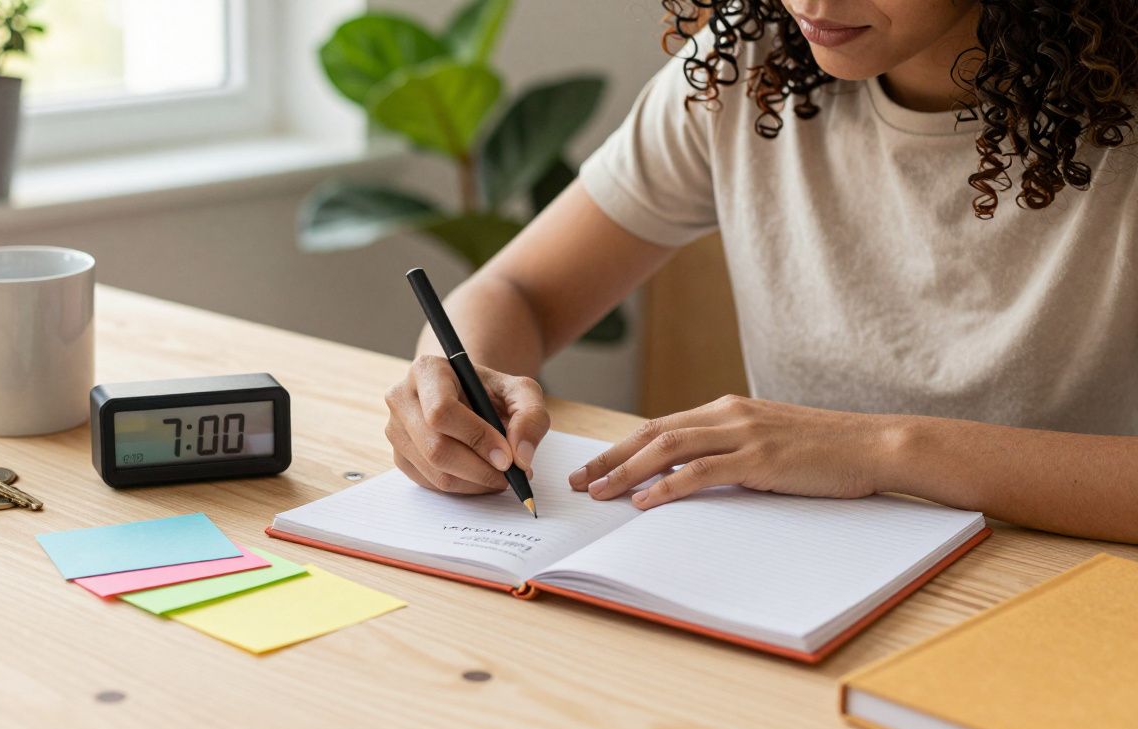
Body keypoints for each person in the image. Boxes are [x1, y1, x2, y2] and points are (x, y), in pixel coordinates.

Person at [383, 0, 1138, 543]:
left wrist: (880, 450)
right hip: (799, 579)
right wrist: (455, 392)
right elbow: (522, 292)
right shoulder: (750, 65)